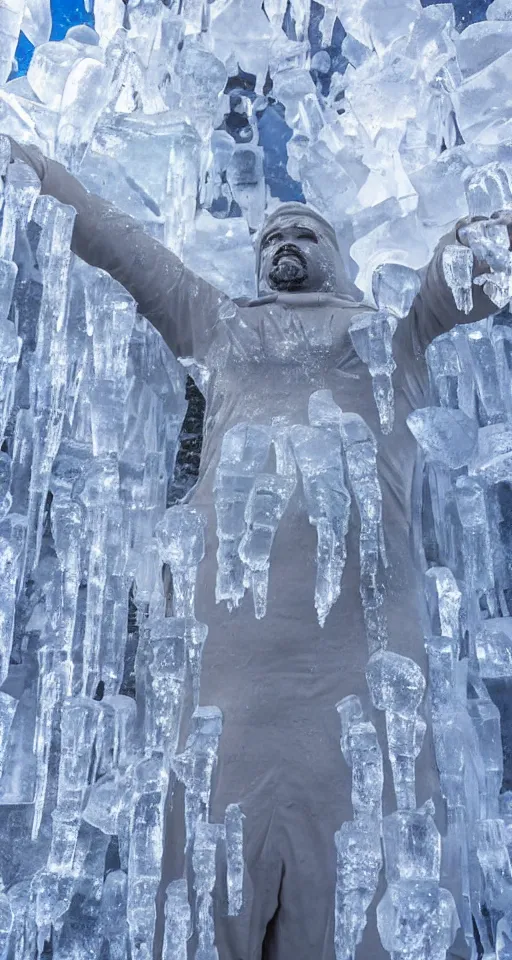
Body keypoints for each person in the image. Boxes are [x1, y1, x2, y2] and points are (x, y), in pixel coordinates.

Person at [5, 137, 502, 960]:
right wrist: (30, 168)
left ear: (339, 261)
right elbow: (123, 246)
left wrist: (478, 238)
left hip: (366, 711)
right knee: (197, 923)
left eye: (305, 231)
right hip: (224, 714)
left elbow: (457, 286)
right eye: (271, 235)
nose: (284, 243)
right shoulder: (222, 331)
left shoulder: (392, 340)